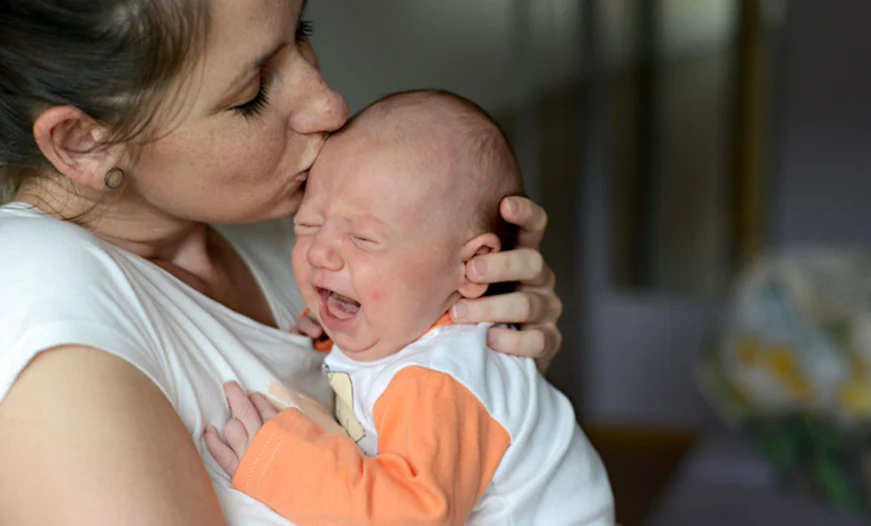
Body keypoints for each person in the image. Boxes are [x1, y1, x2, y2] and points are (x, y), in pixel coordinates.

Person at [0, 2, 564, 525]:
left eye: (302, 32)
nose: (330, 104)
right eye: (251, 93)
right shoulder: (38, 286)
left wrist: (486, 365)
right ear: (82, 142)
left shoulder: (290, 232)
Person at [203, 89, 614, 525]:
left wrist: (285, 466)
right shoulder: (406, 326)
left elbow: (413, 516)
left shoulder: (439, 379)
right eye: (308, 224)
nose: (321, 252)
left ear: (471, 268)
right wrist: (330, 336)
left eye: (364, 238)